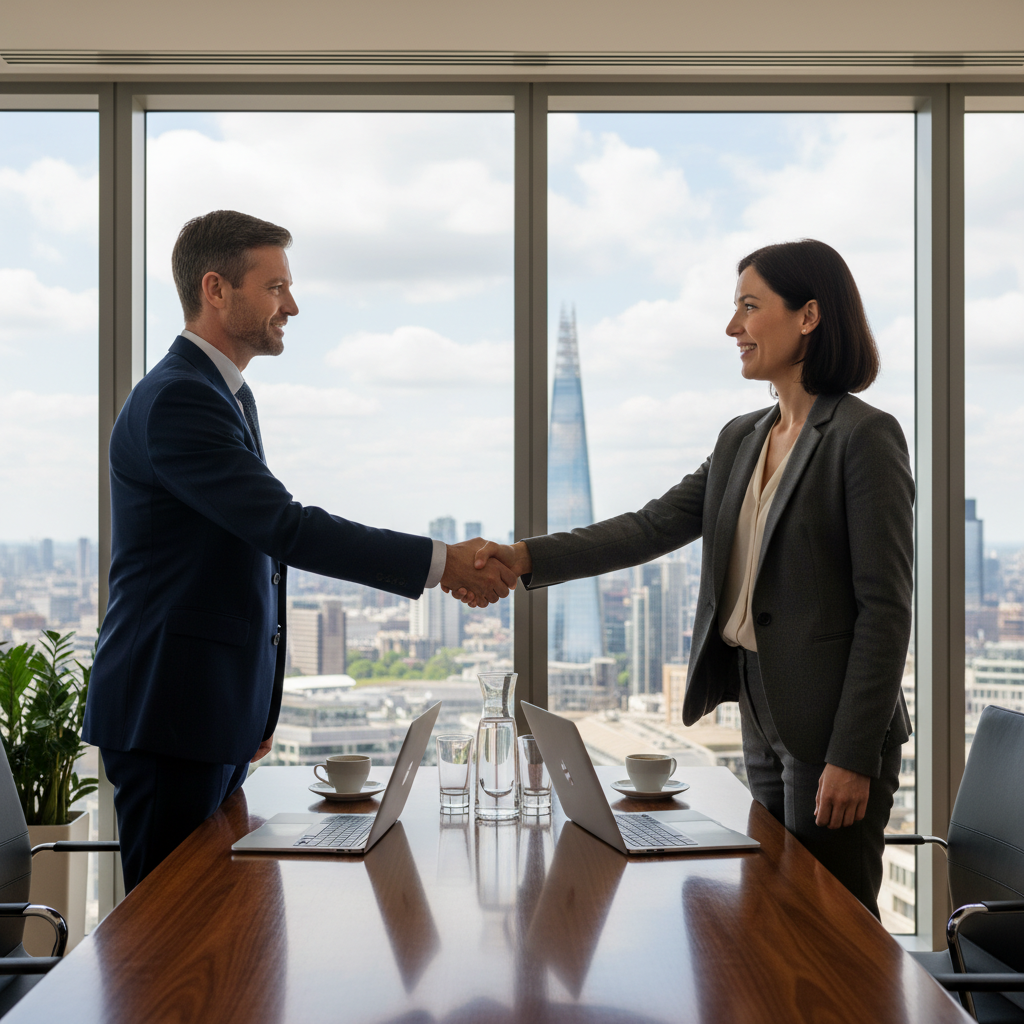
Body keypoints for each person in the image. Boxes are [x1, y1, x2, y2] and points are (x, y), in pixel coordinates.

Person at [471, 239, 913, 916]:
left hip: (834, 723)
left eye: (748, 307)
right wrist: (523, 556)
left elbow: (885, 609)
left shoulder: (863, 436)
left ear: (809, 316)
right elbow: (651, 525)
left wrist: (852, 755)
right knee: (777, 906)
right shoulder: (743, 436)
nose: (732, 327)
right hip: (762, 706)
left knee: (832, 924)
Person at [83, 209, 515, 891]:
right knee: (166, 942)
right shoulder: (179, 400)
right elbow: (283, 528)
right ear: (216, 288)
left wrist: (254, 705)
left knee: (215, 927)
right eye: (275, 286)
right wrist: (443, 563)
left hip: (205, 712)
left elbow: (248, 553)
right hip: (170, 712)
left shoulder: (223, 395)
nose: (293, 304)